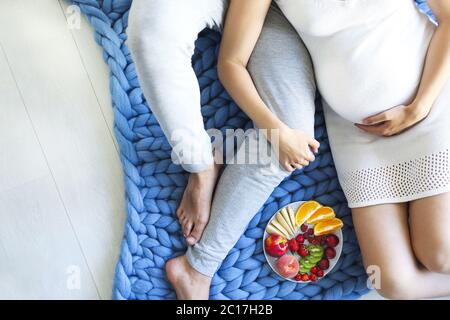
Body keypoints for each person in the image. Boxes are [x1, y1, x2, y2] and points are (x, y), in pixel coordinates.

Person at [215, 0, 450, 300]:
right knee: (393, 283)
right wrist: (276, 130)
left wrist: (418, 108)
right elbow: (231, 62)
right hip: (358, 137)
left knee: (440, 254)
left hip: (431, 104)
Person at [127, 1, 319, 299]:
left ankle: (198, 269)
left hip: (281, 12)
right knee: (151, 35)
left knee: (293, 139)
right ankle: (200, 165)